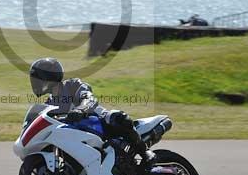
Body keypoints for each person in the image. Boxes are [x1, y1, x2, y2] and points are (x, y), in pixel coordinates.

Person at [28, 57, 156, 164]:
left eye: (38, 80)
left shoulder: (72, 85)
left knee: (119, 118)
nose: (35, 83)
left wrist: (81, 109)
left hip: (98, 123)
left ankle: (144, 152)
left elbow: (89, 99)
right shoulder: (49, 104)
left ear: (50, 78)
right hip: (76, 135)